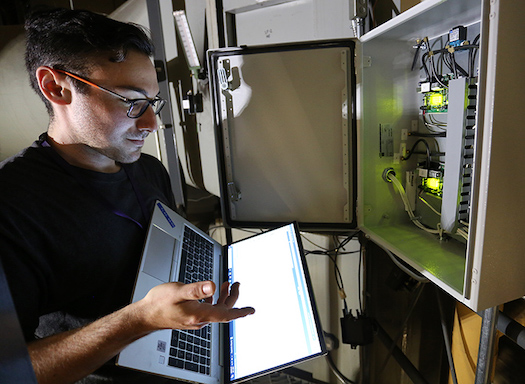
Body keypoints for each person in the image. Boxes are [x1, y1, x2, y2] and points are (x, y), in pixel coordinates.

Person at [0, 7, 254, 384]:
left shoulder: (149, 171)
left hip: (185, 349)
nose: (151, 123)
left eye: (153, 102)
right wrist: (140, 320)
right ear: (57, 87)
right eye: (131, 101)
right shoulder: (12, 206)